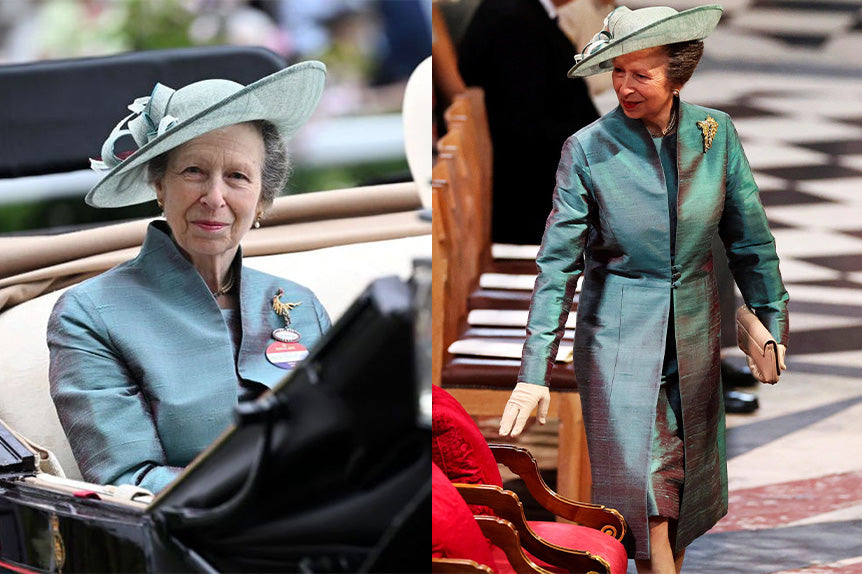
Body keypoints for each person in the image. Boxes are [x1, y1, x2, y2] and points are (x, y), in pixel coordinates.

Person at [498, 6, 789, 573]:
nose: (624, 87)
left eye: (642, 75)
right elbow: (557, 267)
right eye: (618, 71)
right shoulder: (586, 149)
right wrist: (533, 372)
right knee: (646, 483)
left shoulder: (716, 134)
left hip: (696, 333)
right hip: (617, 339)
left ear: (677, 79)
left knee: (682, 483)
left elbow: (752, 241)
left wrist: (771, 324)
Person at [48, 62, 331, 495]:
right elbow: (128, 481)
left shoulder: (298, 302)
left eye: (237, 176)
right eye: (194, 171)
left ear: (263, 200)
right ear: (160, 185)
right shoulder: (90, 314)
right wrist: (272, 495)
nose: (214, 198)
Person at [457, 0, 601, 245]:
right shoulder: (512, 18)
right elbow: (525, 131)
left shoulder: (521, 12)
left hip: (543, 188)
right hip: (532, 209)